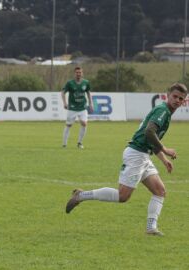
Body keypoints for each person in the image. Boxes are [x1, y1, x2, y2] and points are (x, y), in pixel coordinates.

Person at [65, 83, 187, 236]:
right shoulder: (163, 110)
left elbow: (151, 138)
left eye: (181, 98)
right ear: (168, 94)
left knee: (160, 191)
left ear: (184, 102)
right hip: (137, 155)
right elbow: (150, 131)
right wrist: (165, 149)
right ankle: (81, 196)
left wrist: (163, 160)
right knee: (122, 196)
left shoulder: (165, 112)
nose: (177, 100)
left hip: (143, 155)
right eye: (175, 96)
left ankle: (151, 228)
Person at [61, 66, 93, 149]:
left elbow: (88, 93)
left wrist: (91, 104)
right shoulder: (70, 83)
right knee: (68, 125)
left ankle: (80, 143)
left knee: (84, 123)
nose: (78, 74)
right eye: (77, 72)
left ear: (82, 73)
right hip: (72, 108)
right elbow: (63, 93)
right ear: (74, 73)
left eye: (80, 72)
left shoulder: (86, 82)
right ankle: (64, 144)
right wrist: (65, 103)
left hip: (82, 107)